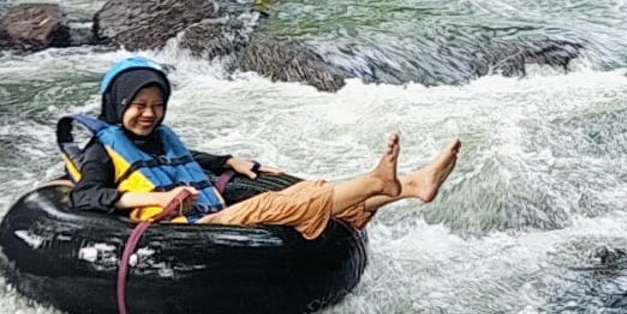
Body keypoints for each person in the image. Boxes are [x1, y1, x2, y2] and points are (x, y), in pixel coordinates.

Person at [66, 57, 461, 237]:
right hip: (184, 231)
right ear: (118, 105)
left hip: (211, 215)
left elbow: (189, 159)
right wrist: (154, 199)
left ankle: (411, 187)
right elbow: (86, 196)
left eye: (156, 106)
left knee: (297, 193)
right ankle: (379, 181)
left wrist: (229, 161)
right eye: (138, 106)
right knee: (271, 206)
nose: (149, 114)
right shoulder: (103, 151)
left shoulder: (158, 138)